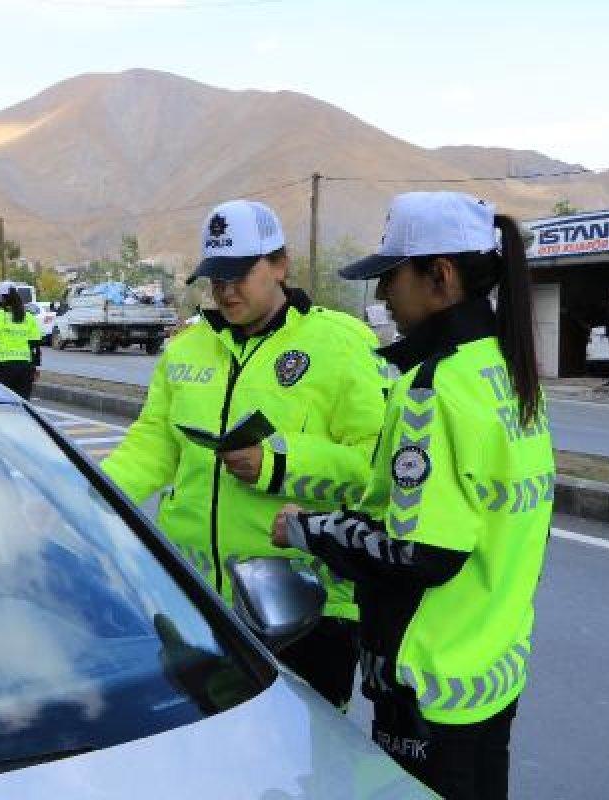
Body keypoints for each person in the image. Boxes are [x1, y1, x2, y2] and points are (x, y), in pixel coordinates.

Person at [272, 192, 555, 799]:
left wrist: (309, 529)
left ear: (440, 275)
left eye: (391, 277)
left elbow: (421, 552)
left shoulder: (431, 391)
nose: (382, 296)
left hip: (428, 686)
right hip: (491, 670)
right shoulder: (504, 371)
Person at [102, 199, 389, 710]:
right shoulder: (187, 348)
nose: (226, 290)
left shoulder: (342, 344)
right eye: (216, 277)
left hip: (305, 610)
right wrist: (88, 496)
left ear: (280, 265)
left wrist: (278, 465)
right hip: (196, 605)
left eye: (239, 274)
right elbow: (151, 445)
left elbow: (375, 468)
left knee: (300, 755)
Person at [0, 282, 42, 400]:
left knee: (3, 403)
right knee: (23, 403)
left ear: (3, 298)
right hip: (25, 368)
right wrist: (36, 367)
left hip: (2, 367)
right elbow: (35, 346)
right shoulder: (28, 317)